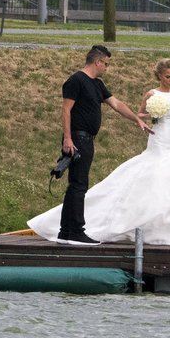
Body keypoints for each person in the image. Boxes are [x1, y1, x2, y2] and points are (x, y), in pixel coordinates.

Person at [28, 58, 170, 245]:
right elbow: (139, 113)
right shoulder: (152, 94)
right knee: (150, 180)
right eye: (168, 76)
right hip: (157, 141)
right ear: (160, 76)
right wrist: (146, 116)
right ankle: (72, 228)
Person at [39, 45, 153, 246]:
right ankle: (76, 230)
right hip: (77, 138)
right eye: (106, 64)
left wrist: (137, 119)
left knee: (76, 184)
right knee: (78, 185)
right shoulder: (76, 81)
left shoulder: (97, 84)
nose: (107, 68)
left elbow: (117, 104)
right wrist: (67, 138)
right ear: (97, 62)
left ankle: (65, 231)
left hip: (87, 140)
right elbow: (66, 110)